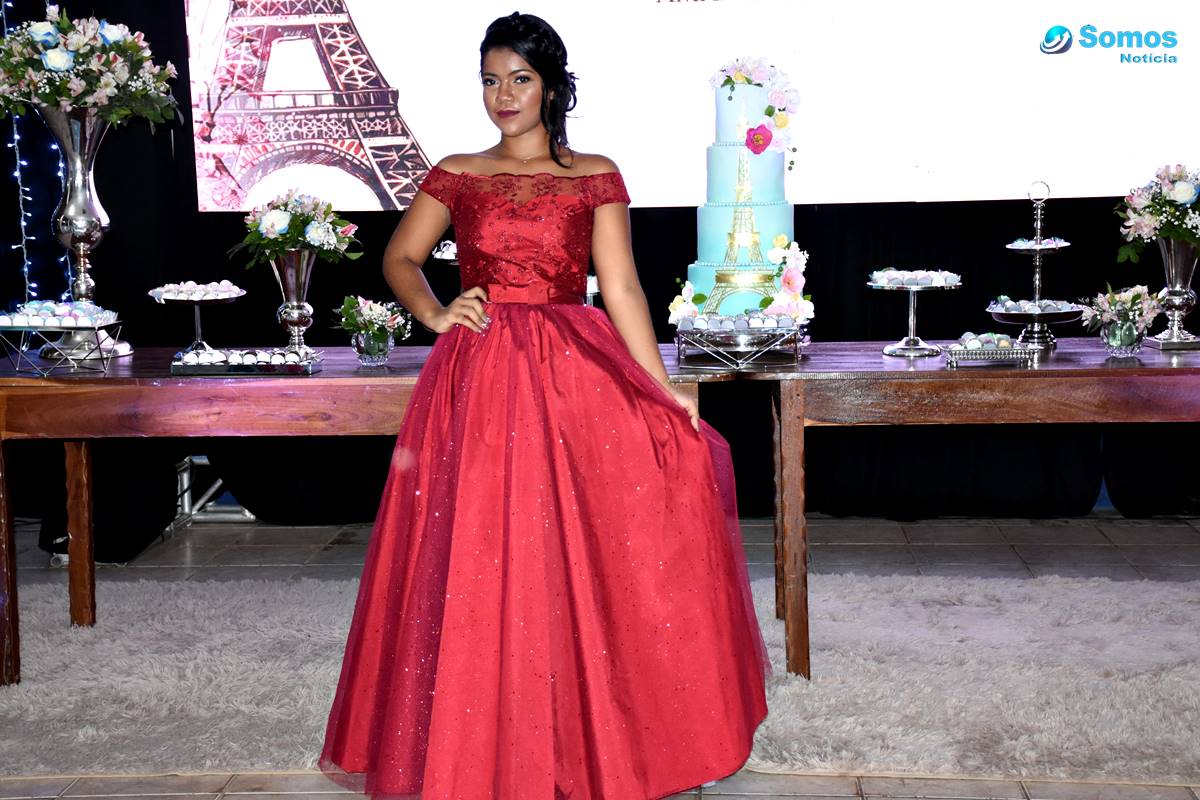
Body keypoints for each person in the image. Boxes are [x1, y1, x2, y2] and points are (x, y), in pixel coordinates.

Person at [320, 12, 768, 799]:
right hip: (481, 372)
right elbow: (400, 257)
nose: (503, 95)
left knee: (588, 534)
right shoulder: (458, 171)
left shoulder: (594, 173)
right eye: (490, 80)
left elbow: (620, 287)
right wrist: (436, 313)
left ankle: (597, 724)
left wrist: (660, 385)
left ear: (552, 88)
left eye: (520, 79)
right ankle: (475, 727)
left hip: (572, 368)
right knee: (479, 543)